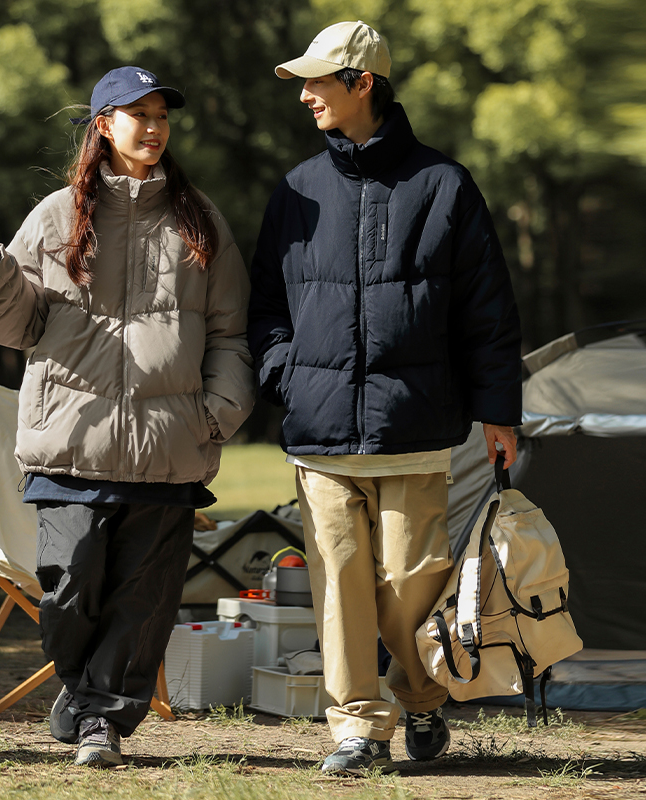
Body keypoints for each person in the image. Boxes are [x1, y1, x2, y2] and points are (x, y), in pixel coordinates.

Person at [0, 66, 254, 767]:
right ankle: (83, 687)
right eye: (137, 114)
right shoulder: (55, 216)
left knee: (142, 604)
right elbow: (18, 324)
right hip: (71, 443)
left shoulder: (199, 219)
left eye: (162, 116)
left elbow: (231, 331)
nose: (153, 127)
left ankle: (101, 722)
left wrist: (216, 414)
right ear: (103, 125)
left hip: (168, 449)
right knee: (67, 586)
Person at [247, 21, 521, 776]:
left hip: (416, 426)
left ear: (362, 82)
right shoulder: (296, 190)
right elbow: (265, 304)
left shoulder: (445, 185)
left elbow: (488, 310)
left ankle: (420, 694)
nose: (305, 95)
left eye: (317, 81)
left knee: (412, 579)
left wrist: (499, 410)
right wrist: (286, 374)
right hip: (320, 427)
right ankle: (358, 728)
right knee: (340, 586)